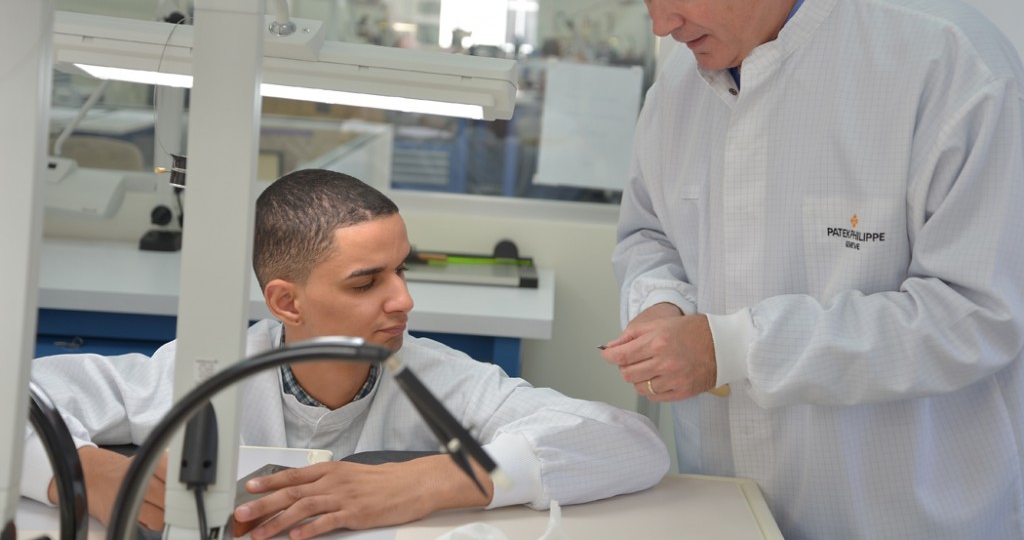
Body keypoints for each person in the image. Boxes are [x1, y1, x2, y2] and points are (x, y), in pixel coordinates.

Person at [586, 0, 1024, 539]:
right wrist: (661, 306)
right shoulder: (677, 87)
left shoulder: (949, 66)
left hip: (909, 522)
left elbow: (976, 316)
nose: (659, 24)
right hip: (726, 512)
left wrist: (734, 347)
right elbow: (650, 235)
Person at [22, 169, 669, 538]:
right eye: (367, 281)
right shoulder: (201, 373)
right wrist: (80, 471)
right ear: (286, 302)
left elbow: (632, 441)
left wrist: (429, 481)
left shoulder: (437, 376)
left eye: (401, 270)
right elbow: (16, 397)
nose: (403, 301)